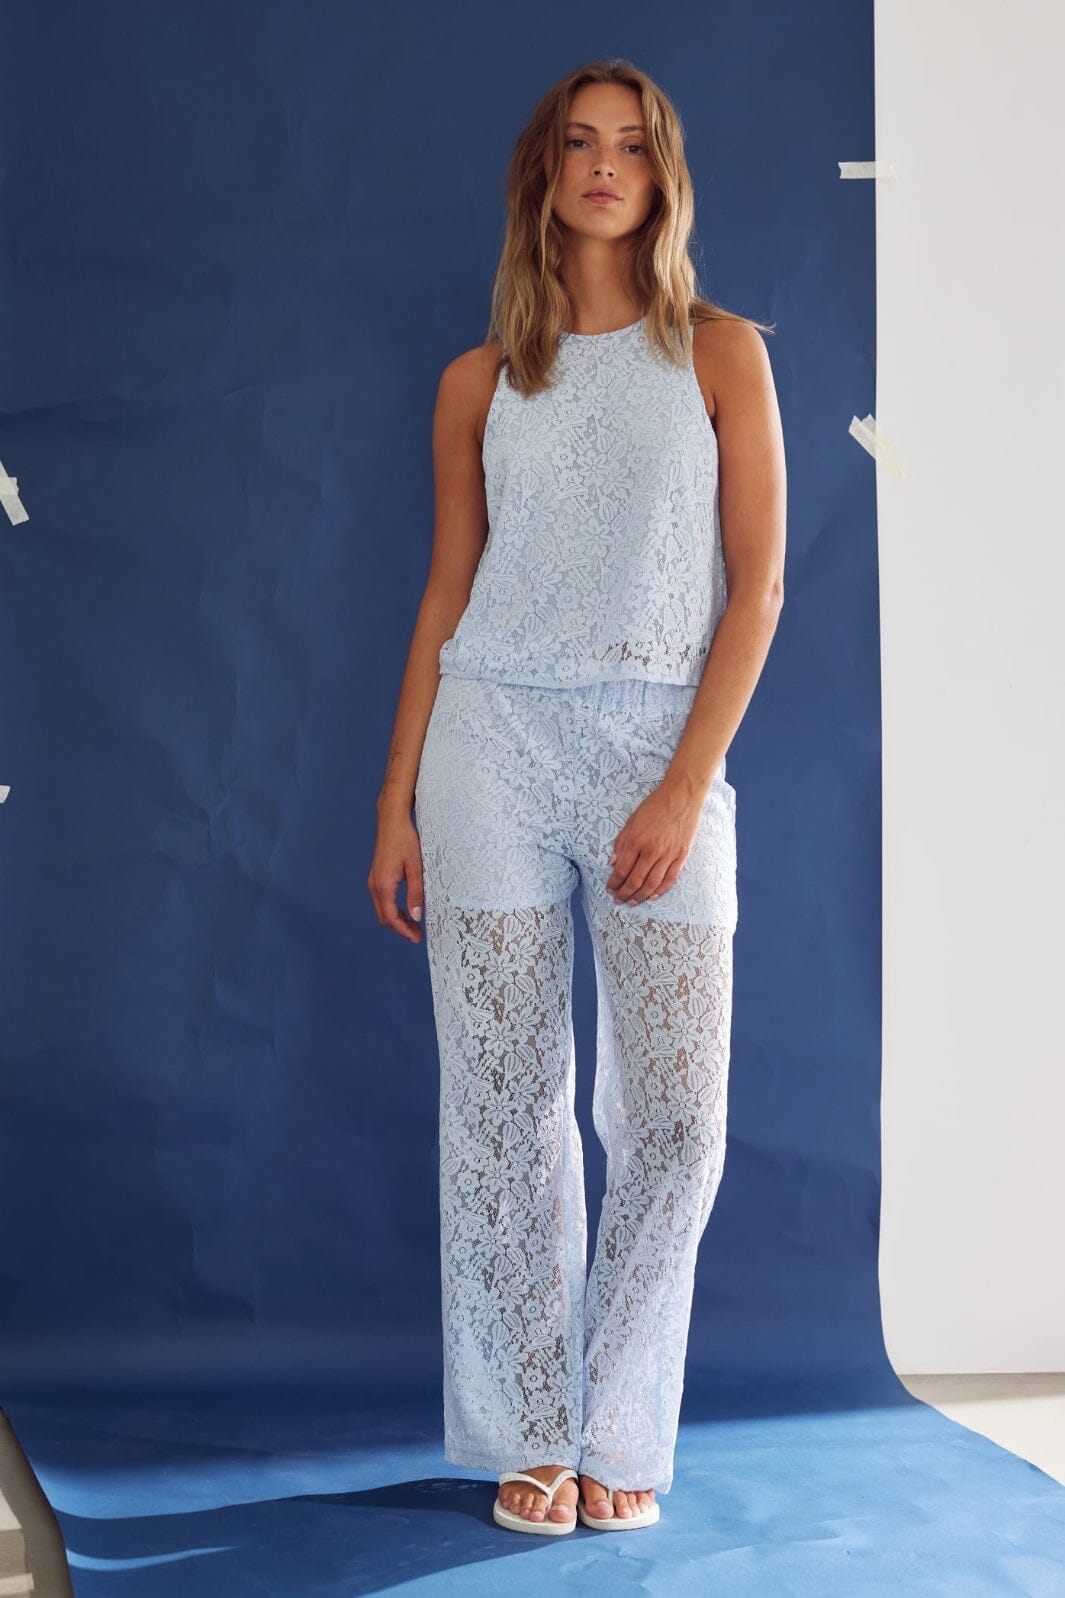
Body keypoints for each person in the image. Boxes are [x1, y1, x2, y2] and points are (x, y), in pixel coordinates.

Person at [369, 57, 786, 1535]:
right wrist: (397, 802)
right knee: (499, 1104)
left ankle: (620, 1426)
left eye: (631, 145)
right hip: (488, 743)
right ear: (541, 175)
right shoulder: (478, 382)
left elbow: (756, 590)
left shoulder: (722, 354)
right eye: (577, 143)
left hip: (657, 746)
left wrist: (686, 782)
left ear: (663, 178)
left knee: (675, 1114)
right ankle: (531, 1433)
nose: (603, 164)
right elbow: (446, 592)